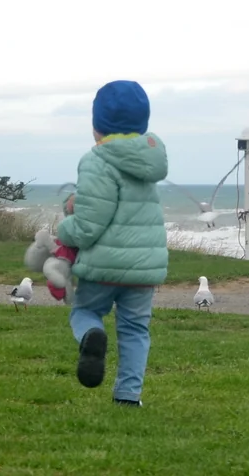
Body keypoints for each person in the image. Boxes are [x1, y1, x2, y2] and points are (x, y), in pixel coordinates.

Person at [56, 80, 168, 407]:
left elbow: (90, 223)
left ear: (97, 128)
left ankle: (92, 336)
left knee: (85, 311)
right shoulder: (149, 162)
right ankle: (128, 396)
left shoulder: (97, 160)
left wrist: (65, 231)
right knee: (135, 331)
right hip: (144, 268)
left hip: (102, 265)